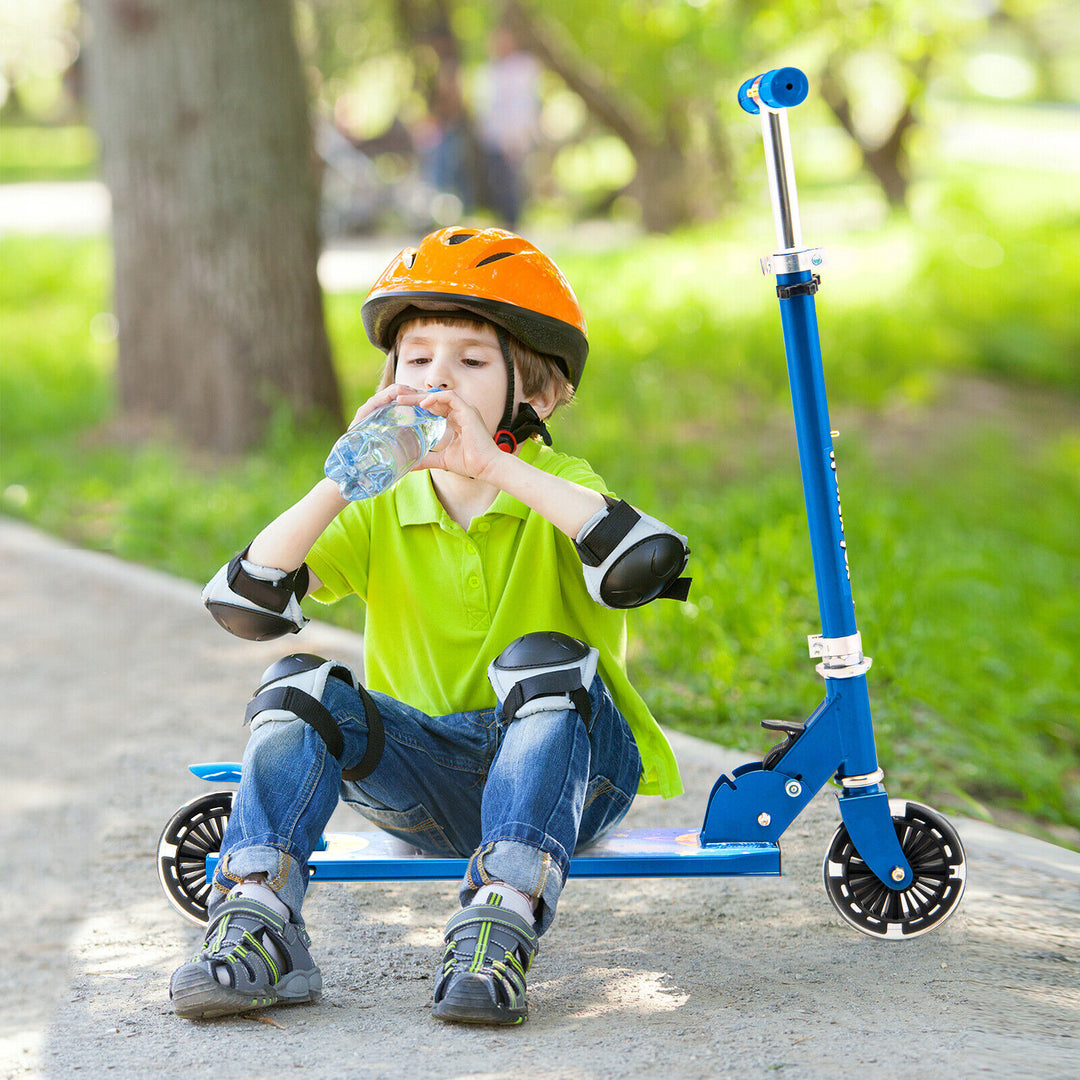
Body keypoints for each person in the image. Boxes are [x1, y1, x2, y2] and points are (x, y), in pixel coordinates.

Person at [172, 226, 691, 1026]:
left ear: (539, 395)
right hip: (429, 783)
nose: (436, 380)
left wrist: (494, 467)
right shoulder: (381, 506)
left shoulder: (553, 483)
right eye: (416, 360)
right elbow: (244, 602)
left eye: (471, 362)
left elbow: (648, 560)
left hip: (575, 767)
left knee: (543, 661)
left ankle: (498, 927)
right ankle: (257, 918)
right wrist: (341, 480)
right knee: (298, 684)